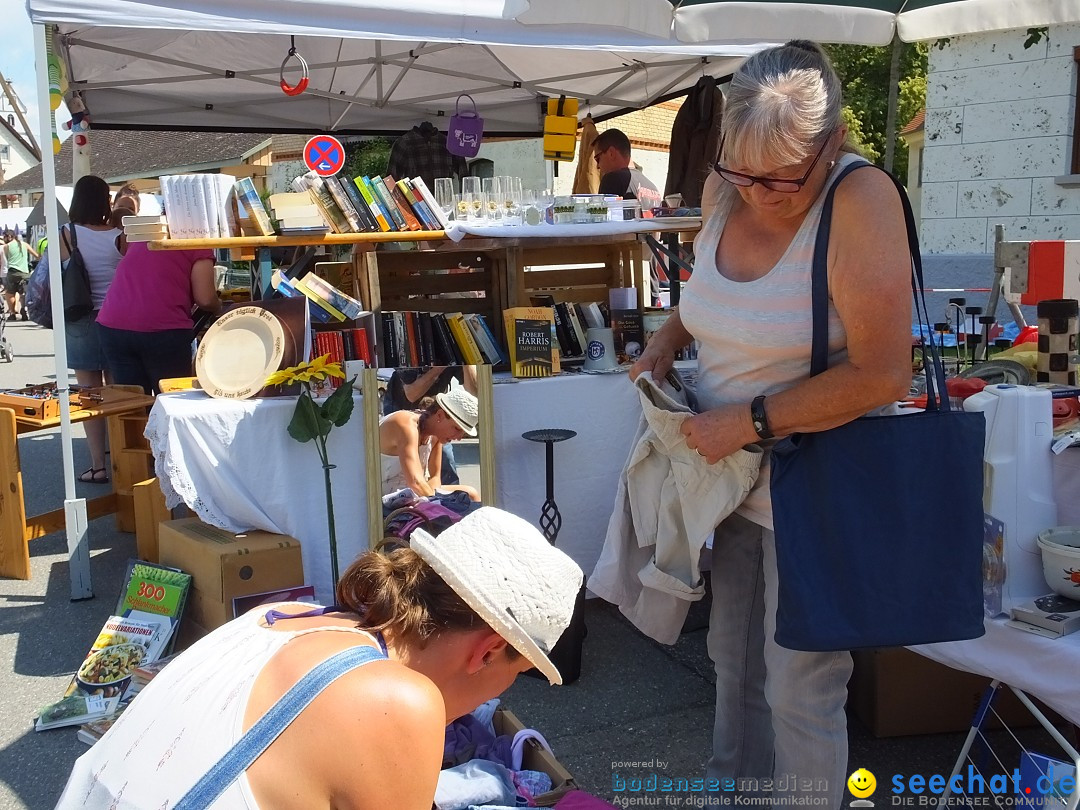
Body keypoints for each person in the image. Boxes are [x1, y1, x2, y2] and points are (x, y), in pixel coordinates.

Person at [630, 41, 911, 806]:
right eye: (741, 172)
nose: (760, 193)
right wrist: (664, 342)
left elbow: (886, 373)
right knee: (732, 660)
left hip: (817, 484)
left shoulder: (861, 200)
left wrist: (746, 421)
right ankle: (737, 795)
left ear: (836, 143)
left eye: (782, 178)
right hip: (731, 481)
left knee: (800, 685)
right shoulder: (733, 188)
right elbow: (712, 299)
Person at [55, 506, 585, 809]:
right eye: (517, 672)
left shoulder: (286, 615)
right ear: (489, 649)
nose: (502, 692)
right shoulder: (398, 702)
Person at [35, 176, 125, 483]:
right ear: (105, 201)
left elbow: (57, 275)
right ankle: (123, 460)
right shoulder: (120, 235)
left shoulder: (66, 234)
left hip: (79, 317)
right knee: (118, 392)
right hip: (116, 317)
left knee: (89, 396)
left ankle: (98, 465)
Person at [97, 237, 220, 395]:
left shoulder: (146, 234)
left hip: (113, 323)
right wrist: (219, 307)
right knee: (173, 399)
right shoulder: (196, 242)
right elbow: (206, 298)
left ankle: (138, 419)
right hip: (163, 328)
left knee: (132, 404)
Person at [592, 129, 663, 304]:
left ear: (611, 152)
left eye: (597, 158)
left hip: (627, 282)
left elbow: (604, 227)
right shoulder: (651, 185)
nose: (598, 166)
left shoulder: (613, 180)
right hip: (651, 281)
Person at [380, 381, 481, 502]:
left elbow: (435, 479)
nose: (459, 437)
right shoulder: (405, 424)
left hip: (411, 494)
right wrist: (440, 507)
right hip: (384, 497)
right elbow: (416, 482)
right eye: (457, 429)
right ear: (439, 415)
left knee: (471, 494)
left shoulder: (436, 436)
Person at [386, 364, 478, 485]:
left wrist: (467, 361)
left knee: (446, 464)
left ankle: (449, 501)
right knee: (402, 473)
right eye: (458, 429)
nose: (460, 437)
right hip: (402, 409)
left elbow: (474, 393)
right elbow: (411, 394)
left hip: (440, 415)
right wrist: (440, 367)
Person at [2, 229, 38, 321]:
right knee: (24, 293)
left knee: (10, 293)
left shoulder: (6, 247)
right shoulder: (25, 245)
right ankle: (24, 310)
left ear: (8, 237)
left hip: (12, 272)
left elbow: (7, 258)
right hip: (25, 273)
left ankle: (12, 313)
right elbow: (37, 256)